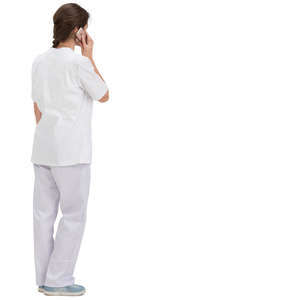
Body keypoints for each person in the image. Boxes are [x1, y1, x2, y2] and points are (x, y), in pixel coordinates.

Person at [31, 3, 109, 296]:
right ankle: (58, 279)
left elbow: (37, 106)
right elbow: (103, 94)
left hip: (43, 150)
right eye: (85, 28)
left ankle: (43, 278)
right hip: (72, 153)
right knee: (73, 216)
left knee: (43, 216)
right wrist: (90, 57)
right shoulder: (78, 64)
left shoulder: (39, 61)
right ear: (78, 32)